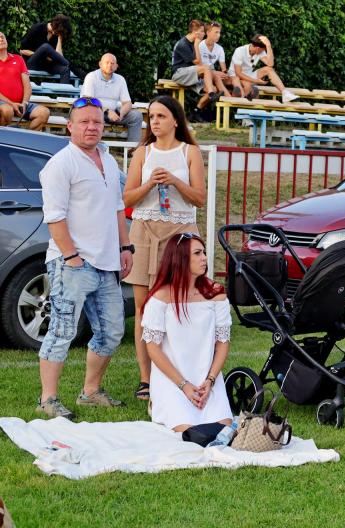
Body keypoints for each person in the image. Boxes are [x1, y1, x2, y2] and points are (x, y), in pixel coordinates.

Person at [37, 97, 133, 420]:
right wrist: (71, 256)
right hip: (72, 264)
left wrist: (125, 247)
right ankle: (47, 399)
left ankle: (90, 392)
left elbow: (117, 207)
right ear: (70, 126)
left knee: (112, 331)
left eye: (97, 122)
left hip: (107, 263)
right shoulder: (61, 164)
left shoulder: (108, 160)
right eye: (84, 122)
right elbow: (54, 216)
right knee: (62, 331)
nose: (91, 127)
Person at [123, 95, 206, 403]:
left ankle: (179, 373)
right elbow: (127, 198)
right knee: (144, 309)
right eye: (151, 117)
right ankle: (146, 379)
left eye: (160, 116)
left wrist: (174, 181)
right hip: (145, 231)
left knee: (180, 304)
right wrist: (149, 185)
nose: (154, 122)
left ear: (175, 120)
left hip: (180, 233)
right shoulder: (142, 152)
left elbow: (199, 198)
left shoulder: (190, 152)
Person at [140, 233, 233, 432]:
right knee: (189, 432)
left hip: (207, 379)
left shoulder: (216, 293)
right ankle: (158, 402)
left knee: (223, 430)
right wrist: (184, 385)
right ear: (180, 258)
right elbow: (153, 349)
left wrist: (210, 381)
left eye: (204, 253)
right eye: (197, 253)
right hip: (173, 380)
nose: (204, 258)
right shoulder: (160, 297)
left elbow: (223, 342)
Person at [81, 53, 143, 142]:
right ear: (100, 64)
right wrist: (107, 111)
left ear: (116, 66)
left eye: (112, 63)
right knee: (93, 114)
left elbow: (127, 103)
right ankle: (92, 145)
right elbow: (88, 100)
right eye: (107, 62)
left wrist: (120, 113)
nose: (109, 65)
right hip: (95, 111)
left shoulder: (120, 79)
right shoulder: (91, 76)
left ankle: (133, 148)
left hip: (114, 113)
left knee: (136, 116)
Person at [0, 31, 49, 130]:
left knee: (44, 113)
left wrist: (24, 103)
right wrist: (12, 104)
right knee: (7, 111)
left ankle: (25, 137)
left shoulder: (18, 59)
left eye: (2, 37)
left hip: (21, 104)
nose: (1, 39)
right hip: (3, 104)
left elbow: (27, 86)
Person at [227, 35, 298, 103]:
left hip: (248, 76)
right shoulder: (240, 51)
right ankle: (242, 103)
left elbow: (270, 64)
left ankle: (285, 93)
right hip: (235, 77)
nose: (263, 51)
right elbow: (238, 73)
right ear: (258, 48)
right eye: (263, 50)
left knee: (269, 69)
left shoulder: (259, 51)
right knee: (247, 84)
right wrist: (256, 81)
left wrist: (269, 46)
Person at [171, 20, 217, 122]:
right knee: (206, 68)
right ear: (195, 32)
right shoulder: (183, 44)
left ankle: (195, 112)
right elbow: (198, 63)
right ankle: (211, 94)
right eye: (202, 31)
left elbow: (199, 65)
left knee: (214, 89)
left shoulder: (194, 42)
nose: (204, 34)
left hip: (190, 74)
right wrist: (196, 45)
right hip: (179, 74)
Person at [19, 14, 74, 84]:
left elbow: (59, 57)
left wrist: (60, 39)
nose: (59, 34)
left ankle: (63, 92)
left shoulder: (56, 35)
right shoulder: (38, 28)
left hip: (46, 65)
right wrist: (41, 55)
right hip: (31, 63)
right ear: (57, 26)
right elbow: (22, 51)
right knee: (46, 47)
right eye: (60, 32)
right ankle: (70, 65)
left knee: (65, 70)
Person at [199, 21, 234, 98]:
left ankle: (236, 99)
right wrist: (215, 73)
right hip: (201, 75)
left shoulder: (219, 48)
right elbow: (198, 66)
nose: (219, 35)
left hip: (213, 75)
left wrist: (224, 74)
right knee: (216, 83)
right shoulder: (199, 46)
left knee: (233, 80)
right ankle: (230, 99)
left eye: (219, 32)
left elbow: (223, 69)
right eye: (216, 32)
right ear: (208, 32)